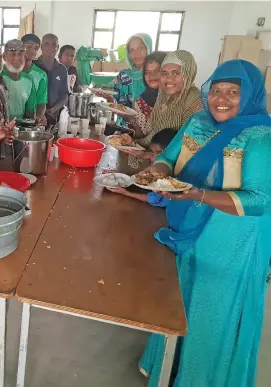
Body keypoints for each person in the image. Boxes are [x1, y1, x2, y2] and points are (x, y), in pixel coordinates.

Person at [139, 59, 271, 387]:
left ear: (251, 94)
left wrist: (199, 195)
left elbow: (259, 200)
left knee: (211, 311)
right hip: (191, 226)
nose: (221, 98)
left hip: (234, 239)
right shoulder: (198, 121)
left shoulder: (260, 136)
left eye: (233, 92)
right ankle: (166, 368)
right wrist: (156, 173)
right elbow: (167, 158)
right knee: (180, 297)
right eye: (216, 91)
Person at [136, 50, 203, 147]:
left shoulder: (194, 101)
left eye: (175, 73)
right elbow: (155, 132)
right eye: (164, 73)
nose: (169, 79)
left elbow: (188, 145)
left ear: (188, 73)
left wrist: (155, 156)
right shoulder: (165, 97)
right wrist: (135, 143)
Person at [107, 128, 177, 207]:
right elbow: (143, 176)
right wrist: (121, 177)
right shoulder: (159, 165)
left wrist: (127, 193)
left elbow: (158, 199)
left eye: (159, 153)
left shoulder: (175, 176)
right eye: (153, 152)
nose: (154, 158)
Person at [124, 51, 167, 138]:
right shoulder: (141, 101)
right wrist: (132, 121)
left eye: (157, 71)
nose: (151, 75)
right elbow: (141, 136)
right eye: (147, 72)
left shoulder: (175, 101)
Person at [111, 33, 153, 109]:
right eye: (131, 50)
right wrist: (109, 98)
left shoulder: (156, 76)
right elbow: (119, 105)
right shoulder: (123, 75)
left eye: (140, 48)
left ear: (148, 48)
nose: (136, 54)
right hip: (125, 120)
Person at [1, 39, 37, 121]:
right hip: (0, 129)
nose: (17, 58)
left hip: (21, 128)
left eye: (20, 53)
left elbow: (30, 110)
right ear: (4, 56)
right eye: (13, 54)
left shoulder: (29, 79)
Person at [35, 34, 69, 122]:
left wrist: (52, 110)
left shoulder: (62, 69)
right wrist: (40, 113)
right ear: (41, 47)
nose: (50, 47)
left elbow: (64, 95)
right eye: (46, 44)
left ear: (57, 47)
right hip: (34, 118)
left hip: (53, 117)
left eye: (54, 44)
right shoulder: (33, 66)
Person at [20, 34, 47, 125]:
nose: (33, 50)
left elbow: (41, 101)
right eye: (29, 46)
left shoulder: (41, 75)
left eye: (36, 48)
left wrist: (39, 116)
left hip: (30, 122)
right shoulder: (7, 72)